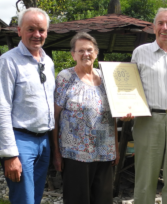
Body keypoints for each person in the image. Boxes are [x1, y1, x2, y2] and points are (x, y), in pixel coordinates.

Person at [53, 32, 133, 204]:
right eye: (80, 50)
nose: (86, 54)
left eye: (89, 50)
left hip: (104, 152)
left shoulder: (107, 79)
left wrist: (116, 149)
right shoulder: (65, 78)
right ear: (73, 54)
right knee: (77, 200)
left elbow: (112, 116)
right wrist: (56, 153)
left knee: (103, 200)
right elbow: (55, 117)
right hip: (75, 154)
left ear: (96, 53)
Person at [0, 8, 55, 204]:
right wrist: (10, 154)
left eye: (41, 30)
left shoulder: (48, 62)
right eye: (31, 29)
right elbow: (1, 109)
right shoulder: (8, 62)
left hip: (44, 141)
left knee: (34, 199)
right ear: (19, 31)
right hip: (21, 141)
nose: (37, 35)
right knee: (24, 200)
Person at [131, 8, 167, 203]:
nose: (165, 28)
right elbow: (130, 88)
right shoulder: (140, 53)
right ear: (154, 26)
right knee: (146, 177)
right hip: (148, 120)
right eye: (161, 23)